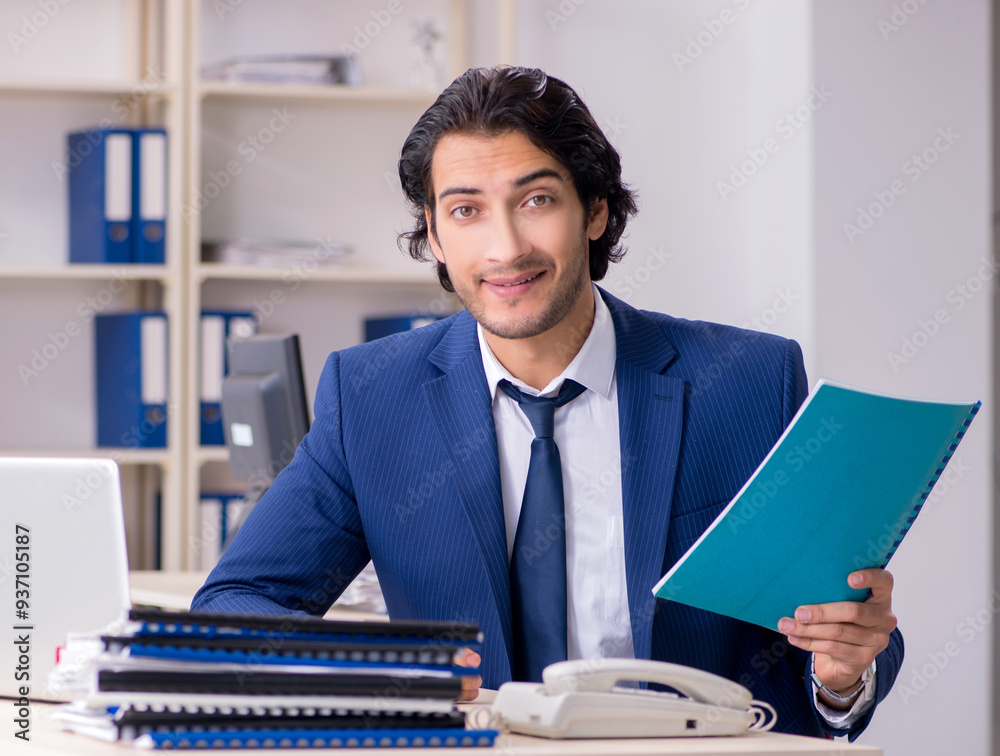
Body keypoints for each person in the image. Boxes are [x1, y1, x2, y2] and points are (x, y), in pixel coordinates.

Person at [193, 66, 902, 741]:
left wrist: (842, 674)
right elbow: (238, 602)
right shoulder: (374, 396)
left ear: (595, 210)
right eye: (466, 210)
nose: (505, 248)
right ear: (435, 236)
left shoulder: (747, 383)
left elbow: (839, 624)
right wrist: (375, 674)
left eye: (536, 201)